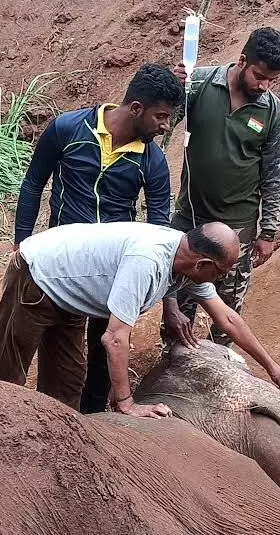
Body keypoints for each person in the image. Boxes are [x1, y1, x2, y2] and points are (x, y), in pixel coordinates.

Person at [0, 220, 280, 418]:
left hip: (72, 296)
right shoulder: (147, 261)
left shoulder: (187, 261)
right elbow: (114, 338)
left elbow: (228, 318)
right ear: (203, 264)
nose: (221, 280)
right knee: (4, 374)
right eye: (221, 273)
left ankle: (46, 439)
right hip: (38, 274)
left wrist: (272, 366)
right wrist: (126, 403)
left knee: (67, 382)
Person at [14, 63, 185, 414]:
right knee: (54, 347)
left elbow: (162, 232)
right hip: (66, 264)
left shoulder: (152, 160)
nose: (166, 126)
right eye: (161, 116)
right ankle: (40, 412)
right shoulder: (67, 128)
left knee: (103, 348)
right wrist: (20, 241)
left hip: (114, 269)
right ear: (136, 108)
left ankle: (93, 423)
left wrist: (170, 303)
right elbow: (33, 183)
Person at [171, 27, 280, 346]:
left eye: (272, 80)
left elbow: (273, 175)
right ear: (241, 61)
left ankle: (220, 359)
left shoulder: (273, 113)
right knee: (179, 298)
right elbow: (164, 125)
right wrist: (174, 90)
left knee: (227, 305)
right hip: (190, 217)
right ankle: (173, 358)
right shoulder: (199, 84)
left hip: (238, 225)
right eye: (259, 76)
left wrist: (268, 232)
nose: (264, 86)